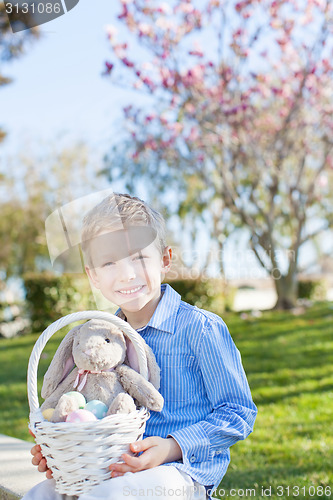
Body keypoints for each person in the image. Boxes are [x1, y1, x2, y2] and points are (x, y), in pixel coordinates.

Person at [24, 193, 257, 500]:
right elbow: (93, 407)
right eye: (109, 262)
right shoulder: (102, 340)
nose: (127, 273)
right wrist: (66, 450)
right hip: (110, 468)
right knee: (41, 495)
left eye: (138, 256)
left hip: (181, 476)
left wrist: (172, 446)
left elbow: (238, 411)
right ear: (93, 275)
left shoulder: (200, 329)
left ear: (164, 259)